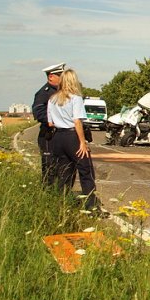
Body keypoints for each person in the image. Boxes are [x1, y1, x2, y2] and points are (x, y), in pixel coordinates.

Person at [47, 68, 102, 214]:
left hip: (58, 137)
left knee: (64, 172)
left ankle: (60, 205)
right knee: (86, 170)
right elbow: (77, 121)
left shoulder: (52, 99)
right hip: (72, 136)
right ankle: (92, 206)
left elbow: (50, 123)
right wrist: (82, 142)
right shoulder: (75, 98)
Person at [32, 63, 65, 183]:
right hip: (49, 135)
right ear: (51, 77)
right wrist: (54, 120)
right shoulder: (44, 93)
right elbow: (38, 112)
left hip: (62, 134)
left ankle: (61, 193)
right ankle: (48, 193)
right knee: (50, 166)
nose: (63, 79)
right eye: (60, 76)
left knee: (62, 165)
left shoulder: (62, 92)